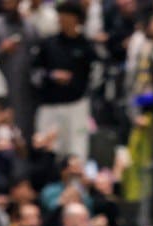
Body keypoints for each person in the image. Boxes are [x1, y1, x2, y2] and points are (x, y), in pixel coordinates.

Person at [31, 2, 96, 161]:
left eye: (66, 15)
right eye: (60, 15)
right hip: (50, 106)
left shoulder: (86, 46)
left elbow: (94, 75)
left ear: (76, 19)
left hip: (76, 106)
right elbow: (34, 73)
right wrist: (51, 76)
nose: (61, 19)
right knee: (49, 151)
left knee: (76, 151)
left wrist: (78, 85)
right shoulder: (48, 44)